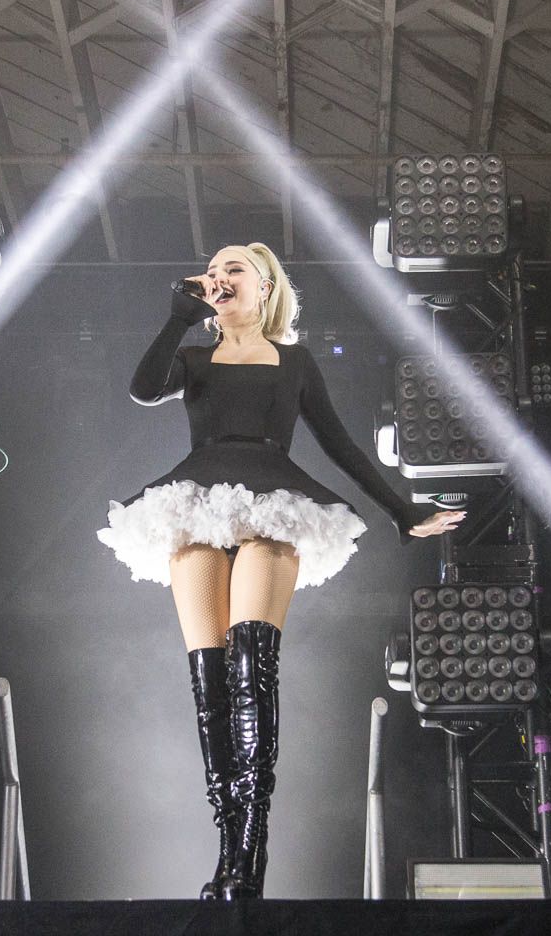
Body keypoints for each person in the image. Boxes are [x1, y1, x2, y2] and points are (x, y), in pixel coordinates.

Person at [97, 242, 464, 900]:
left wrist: (401, 510)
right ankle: (227, 854)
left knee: (251, 670)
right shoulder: (194, 357)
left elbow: (339, 443)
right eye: (212, 271)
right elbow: (143, 388)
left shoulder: (294, 361)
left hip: (274, 502)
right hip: (196, 501)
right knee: (210, 684)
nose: (219, 277)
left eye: (233, 268)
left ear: (264, 286)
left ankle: (251, 852)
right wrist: (178, 318)